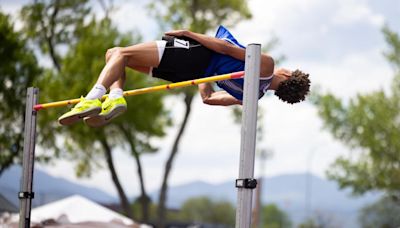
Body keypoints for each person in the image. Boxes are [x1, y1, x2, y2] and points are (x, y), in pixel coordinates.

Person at [58, 25, 310, 127]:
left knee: (118, 53)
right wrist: (203, 79)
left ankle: (94, 97)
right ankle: (115, 97)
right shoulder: (250, 97)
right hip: (193, 71)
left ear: (286, 75)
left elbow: (224, 48)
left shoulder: (266, 65)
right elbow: (208, 98)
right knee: (116, 56)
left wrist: (191, 34)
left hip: (196, 56)